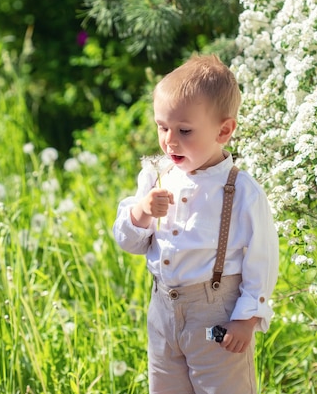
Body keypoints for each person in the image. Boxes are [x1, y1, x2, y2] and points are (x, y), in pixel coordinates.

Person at [112, 54, 279, 394]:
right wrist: (142, 212)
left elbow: (262, 258)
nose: (170, 140)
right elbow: (129, 242)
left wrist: (247, 319)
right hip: (162, 311)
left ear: (224, 130)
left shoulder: (240, 190)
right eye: (162, 127)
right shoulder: (157, 176)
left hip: (216, 314)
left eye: (184, 130)